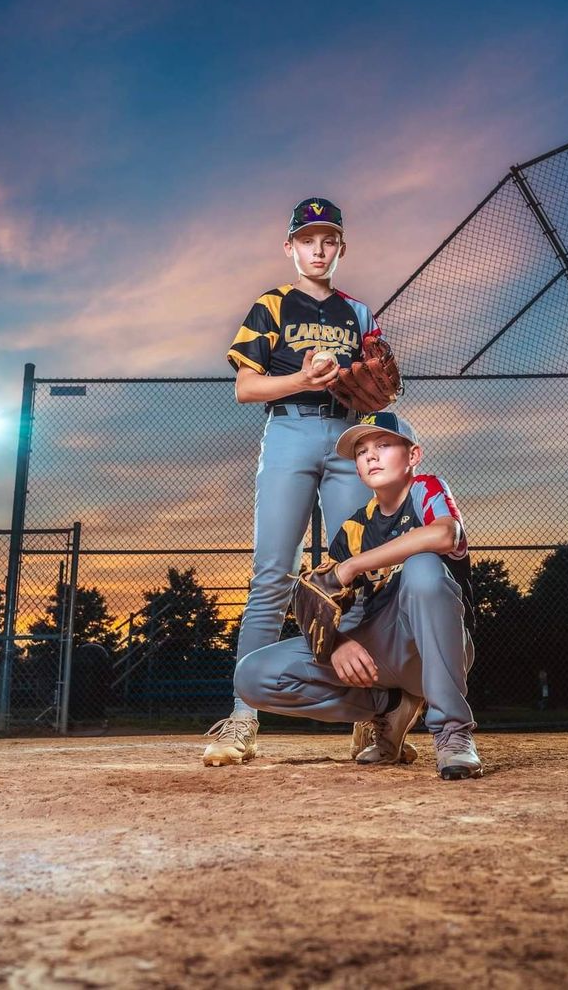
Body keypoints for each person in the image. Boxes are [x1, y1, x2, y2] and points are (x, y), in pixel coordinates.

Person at [203, 198, 398, 767]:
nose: (318, 248)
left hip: (348, 439)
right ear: (290, 247)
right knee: (271, 575)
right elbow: (246, 388)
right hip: (288, 434)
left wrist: (371, 389)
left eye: (329, 238)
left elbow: (381, 383)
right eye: (307, 238)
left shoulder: (358, 313)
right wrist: (302, 377)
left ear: (341, 247)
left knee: (357, 573)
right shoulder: (271, 304)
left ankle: (370, 717)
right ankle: (243, 718)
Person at [234, 411, 483, 780]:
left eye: (383, 445)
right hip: (379, 651)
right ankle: (390, 707)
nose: (371, 456)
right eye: (362, 450)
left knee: (423, 568)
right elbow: (316, 598)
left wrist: (352, 566)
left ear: (413, 455)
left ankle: (453, 733)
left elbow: (446, 534)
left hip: (432, 648)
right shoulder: (354, 526)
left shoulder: (425, 490)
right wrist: (335, 644)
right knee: (253, 675)